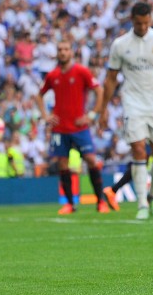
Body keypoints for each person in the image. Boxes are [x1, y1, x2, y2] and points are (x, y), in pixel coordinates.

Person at [101, 3, 153, 220]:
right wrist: (103, 110)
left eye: (146, 23)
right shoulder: (120, 45)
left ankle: (152, 195)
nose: (142, 27)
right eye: (139, 23)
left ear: (150, 20)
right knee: (138, 150)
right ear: (132, 20)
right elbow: (110, 80)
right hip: (133, 104)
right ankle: (141, 204)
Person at [34, 40, 108, 214]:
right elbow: (39, 96)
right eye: (60, 49)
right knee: (62, 164)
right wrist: (46, 116)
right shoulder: (52, 75)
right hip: (60, 128)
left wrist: (91, 115)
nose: (62, 52)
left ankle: (100, 202)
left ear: (71, 52)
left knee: (91, 160)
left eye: (65, 49)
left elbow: (99, 91)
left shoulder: (81, 71)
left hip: (79, 127)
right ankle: (69, 204)